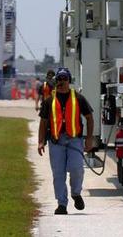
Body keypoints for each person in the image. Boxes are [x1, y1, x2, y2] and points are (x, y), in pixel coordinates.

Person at [37, 67, 94, 215]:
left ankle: (76, 193)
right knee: (58, 174)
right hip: (56, 141)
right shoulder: (49, 100)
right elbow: (43, 122)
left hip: (75, 140)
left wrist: (89, 139)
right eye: (59, 79)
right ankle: (61, 204)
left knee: (77, 169)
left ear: (69, 81)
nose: (62, 81)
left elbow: (89, 118)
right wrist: (41, 141)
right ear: (56, 81)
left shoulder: (79, 98)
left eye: (65, 79)